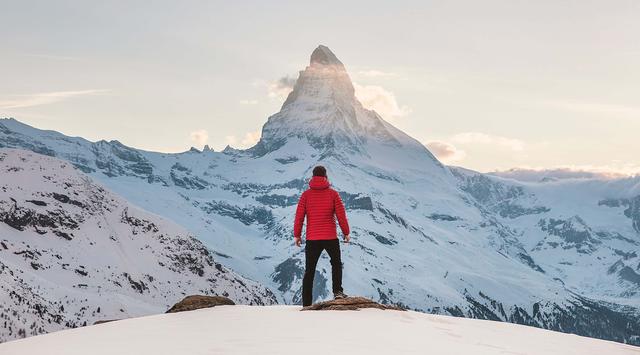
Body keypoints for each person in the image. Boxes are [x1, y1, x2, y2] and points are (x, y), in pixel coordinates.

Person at [294, 165, 350, 307]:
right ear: (325, 177)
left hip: (312, 239)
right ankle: (337, 291)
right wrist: (346, 232)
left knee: (309, 270)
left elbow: (299, 216)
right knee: (336, 263)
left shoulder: (305, 195)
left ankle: (306, 303)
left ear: (312, 177)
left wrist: (297, 235)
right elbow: (341, 215)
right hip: (330, 237)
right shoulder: (333, 194)